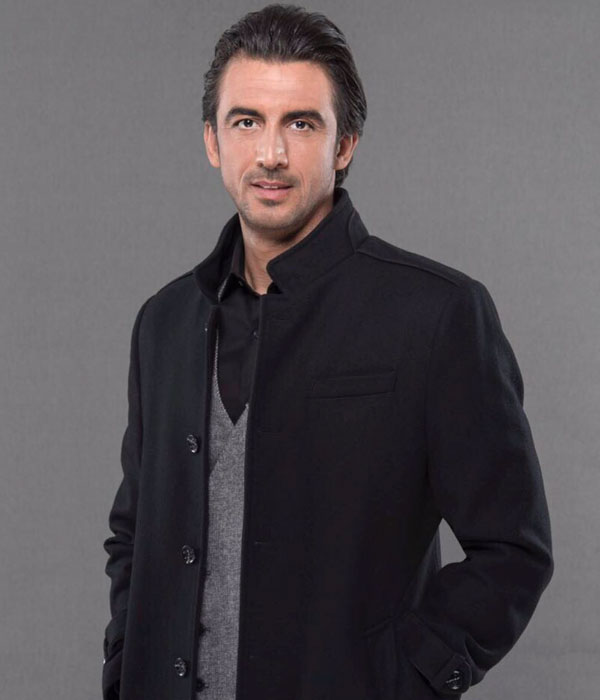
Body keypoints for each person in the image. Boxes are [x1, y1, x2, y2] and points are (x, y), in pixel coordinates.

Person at [101, 4, 554, 699]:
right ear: (213, 141)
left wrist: (404, 680)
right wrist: (122, 668)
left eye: (301, 124)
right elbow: (135, 535)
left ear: (344, 145)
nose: (271, 154)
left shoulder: (436, 313)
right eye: (246, 122)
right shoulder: (163, 323)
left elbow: (514, 549)